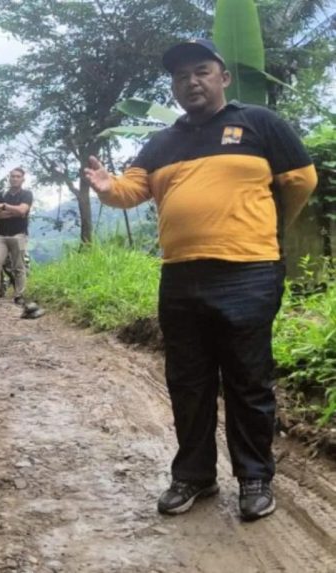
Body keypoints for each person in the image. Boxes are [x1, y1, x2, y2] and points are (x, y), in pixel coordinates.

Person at [84, 39, 317, 521]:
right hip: (181, 276)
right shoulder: (162, 142)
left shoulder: (259, 123)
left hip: (249, 272)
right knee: (187, 381)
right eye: (181, 76)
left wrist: (269, 230)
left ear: (223, 77)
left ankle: (254, 478)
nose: (191, 81)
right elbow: (131, 190)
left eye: (202, 71)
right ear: (173, 86)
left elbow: (300, 179)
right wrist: (108, 189)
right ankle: (194, 475)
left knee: (248, 380)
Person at [0, 168, 34, 305]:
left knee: (18, 266)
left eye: (18, 176)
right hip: (0, 235)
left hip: (19, 234)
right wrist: (13, 212)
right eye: (13, 176)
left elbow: (22, 210)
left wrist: (4, 206)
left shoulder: (27, 194)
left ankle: (19, 295)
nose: (15, 178)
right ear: (9, 178)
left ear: (23, 179)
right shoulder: (2, 194)